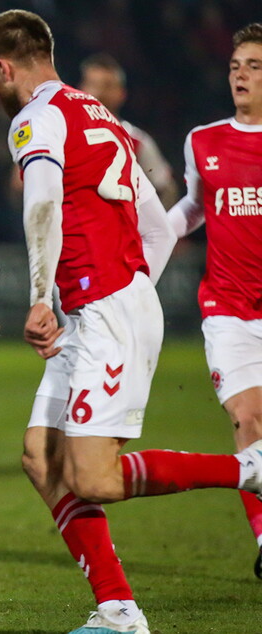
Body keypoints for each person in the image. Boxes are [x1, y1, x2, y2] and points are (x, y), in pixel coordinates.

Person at [0, 10, 262, 634]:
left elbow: (42, 202)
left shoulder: (35, 118)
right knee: (41, 458)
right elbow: (159, 228)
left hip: (102, 313)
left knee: (95, 478)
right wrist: (129, 291)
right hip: (102, 308)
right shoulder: (101, 117)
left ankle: (250, 469)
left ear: (3, 68)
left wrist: (45, 297)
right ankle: (118, 610)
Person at [165, 22, 262, 579]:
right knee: (248, 420)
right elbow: (196, 205)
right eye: (234, 66)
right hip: (227, 309)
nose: (240, 75)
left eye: (253, 66)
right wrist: (153, 242)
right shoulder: (204, 140)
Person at [78, 53, 177, 207]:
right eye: (92, 85)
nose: (98, 93)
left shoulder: (136, 141)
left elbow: (166, 188)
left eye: (106, 86)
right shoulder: (66, 134)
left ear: (121, 93)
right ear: (80, 89)